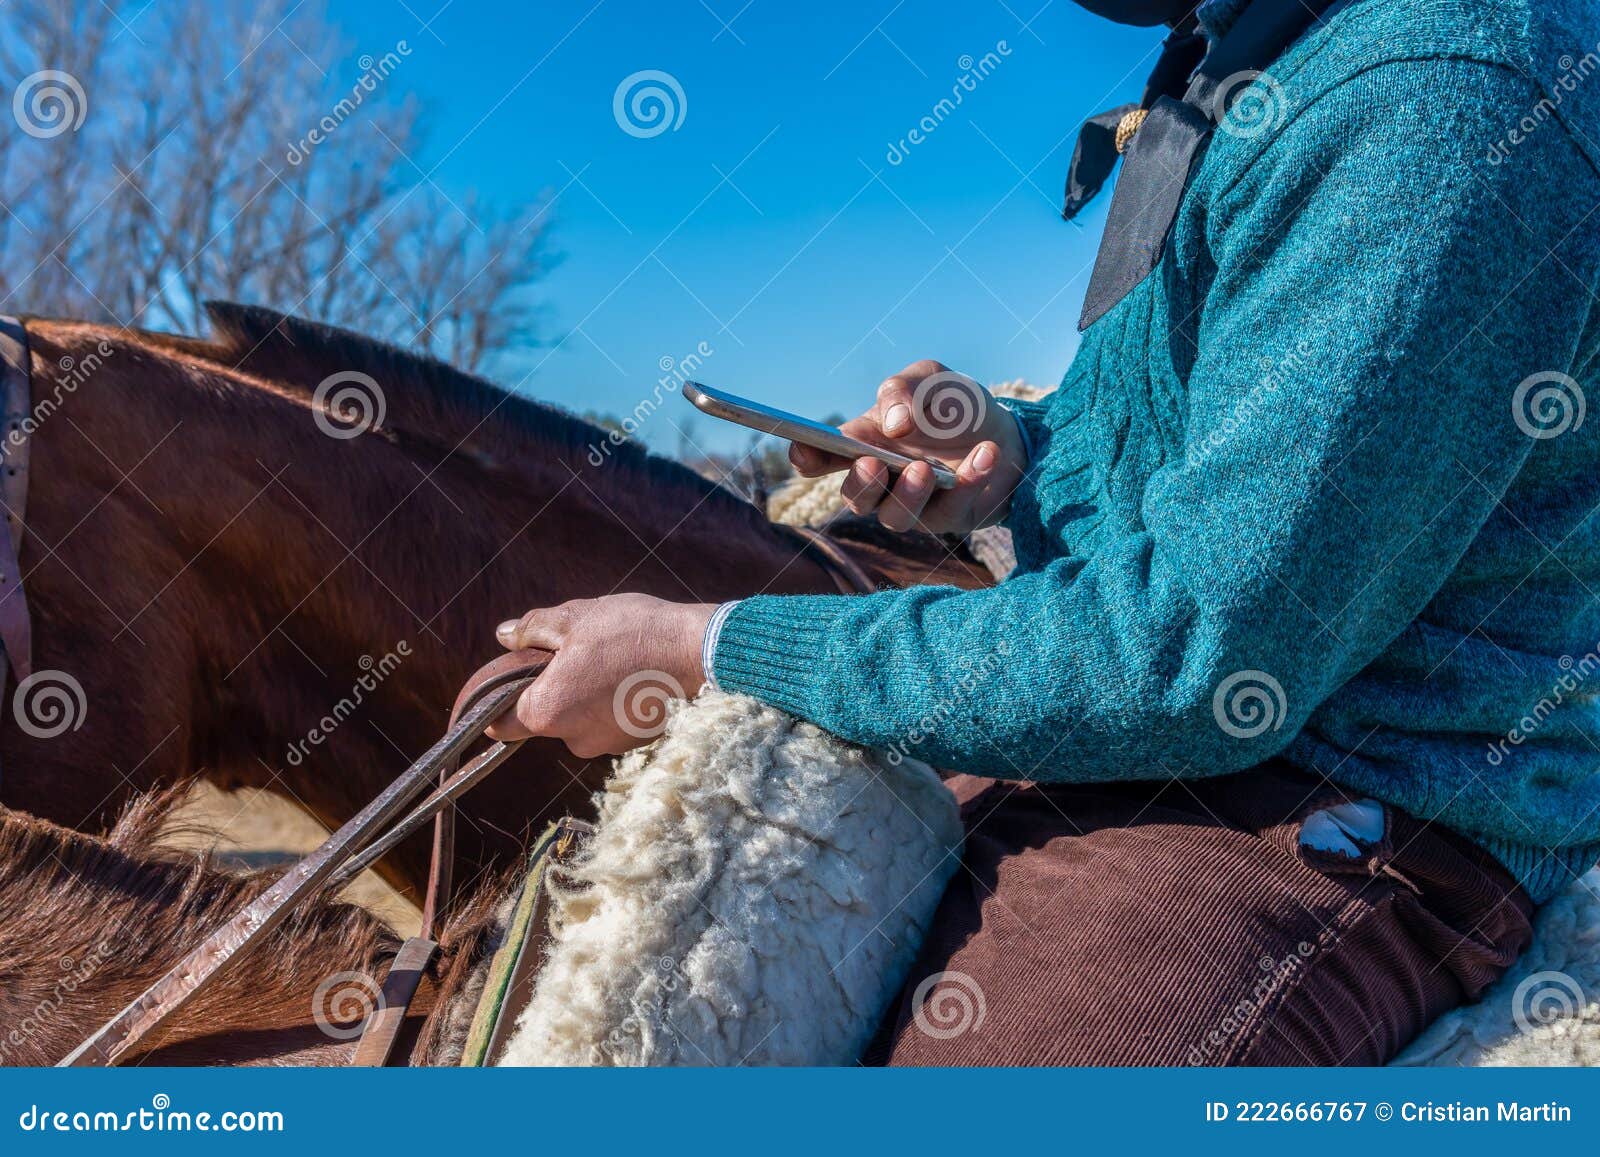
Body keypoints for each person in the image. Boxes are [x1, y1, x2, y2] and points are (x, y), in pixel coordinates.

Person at [489, 0, 1600, 1064]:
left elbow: (1191, 652)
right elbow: (1196, 459)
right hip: (1148, 741)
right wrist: (1008, 455)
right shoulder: (1264, 55)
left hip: (1338, 797)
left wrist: (710, 648)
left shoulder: (1431, 90)